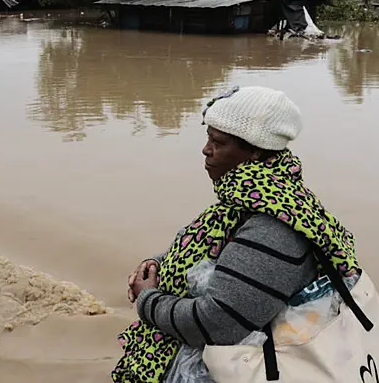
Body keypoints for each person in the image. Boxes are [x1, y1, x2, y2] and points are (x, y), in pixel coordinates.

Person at [112, 86, 361, 383]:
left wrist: (148, 299)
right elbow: (213, 250)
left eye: (218, 141)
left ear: (255, 150)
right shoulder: (262, 197)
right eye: (208, 137)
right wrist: (158, 264)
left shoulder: (272, 228)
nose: (206, 149)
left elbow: (218, 324)